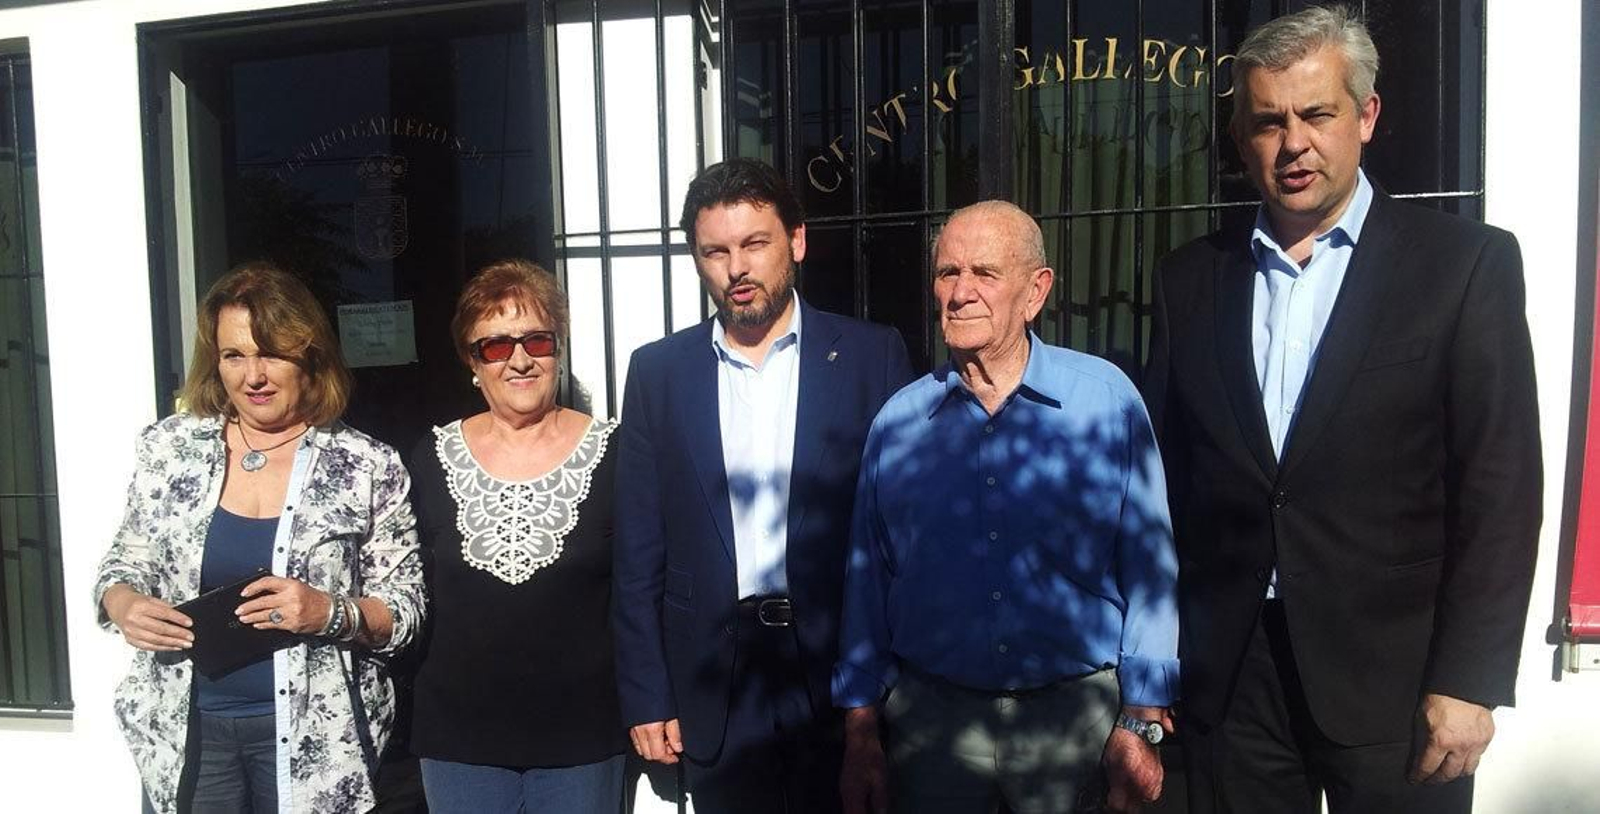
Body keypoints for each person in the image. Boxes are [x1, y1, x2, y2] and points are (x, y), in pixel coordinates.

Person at [1142, 6, 1542, 814]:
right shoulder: (1191, 281)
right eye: (1267, 121)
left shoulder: (1464, 267)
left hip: (1399, 681)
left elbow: (1501, 489)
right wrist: (1159, 660)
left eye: (1316, 113)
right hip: (1234, 677)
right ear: (1241, 137)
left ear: (1366, 115)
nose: (1293, 143)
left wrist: (1470, 679)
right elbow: (1169, 486)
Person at [834, 200, 1179, 814]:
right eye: (947, 273)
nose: (961, 292)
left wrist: (1142, 721)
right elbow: (867, 586)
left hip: (1074, 727)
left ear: (1035, 291)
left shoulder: (1107, 403)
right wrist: (860, 731)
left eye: (985, 273)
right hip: (933, 735)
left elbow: (1150, 570)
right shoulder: (899, 425)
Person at [612, 157, 913, 813]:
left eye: (754, 244)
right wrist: (647, 693)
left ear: (796, 241)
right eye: (715, 251)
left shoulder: (871, 356)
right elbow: (638, 551)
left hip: (839, 672)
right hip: (716, 678)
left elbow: (901, 536)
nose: (736, 268)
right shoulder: (658, 374)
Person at [93, 262, 427, 813]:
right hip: (188, 728)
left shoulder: (366, 464)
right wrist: (123, 603)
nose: (254, 376)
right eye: (234, 355)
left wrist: (326, 611)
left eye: (272, 353)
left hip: (316, 740)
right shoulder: (170, 448)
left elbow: (408, 611)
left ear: (311, 357)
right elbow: (123, 561)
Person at [405, 259, 627, 812]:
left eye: (537, 341)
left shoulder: (617, 452)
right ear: (471, 362)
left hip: (584, 737)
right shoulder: (431, 458)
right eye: (496, 347)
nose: (521, 360)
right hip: (459, 741)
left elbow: (646, 591)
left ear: (559, 348)